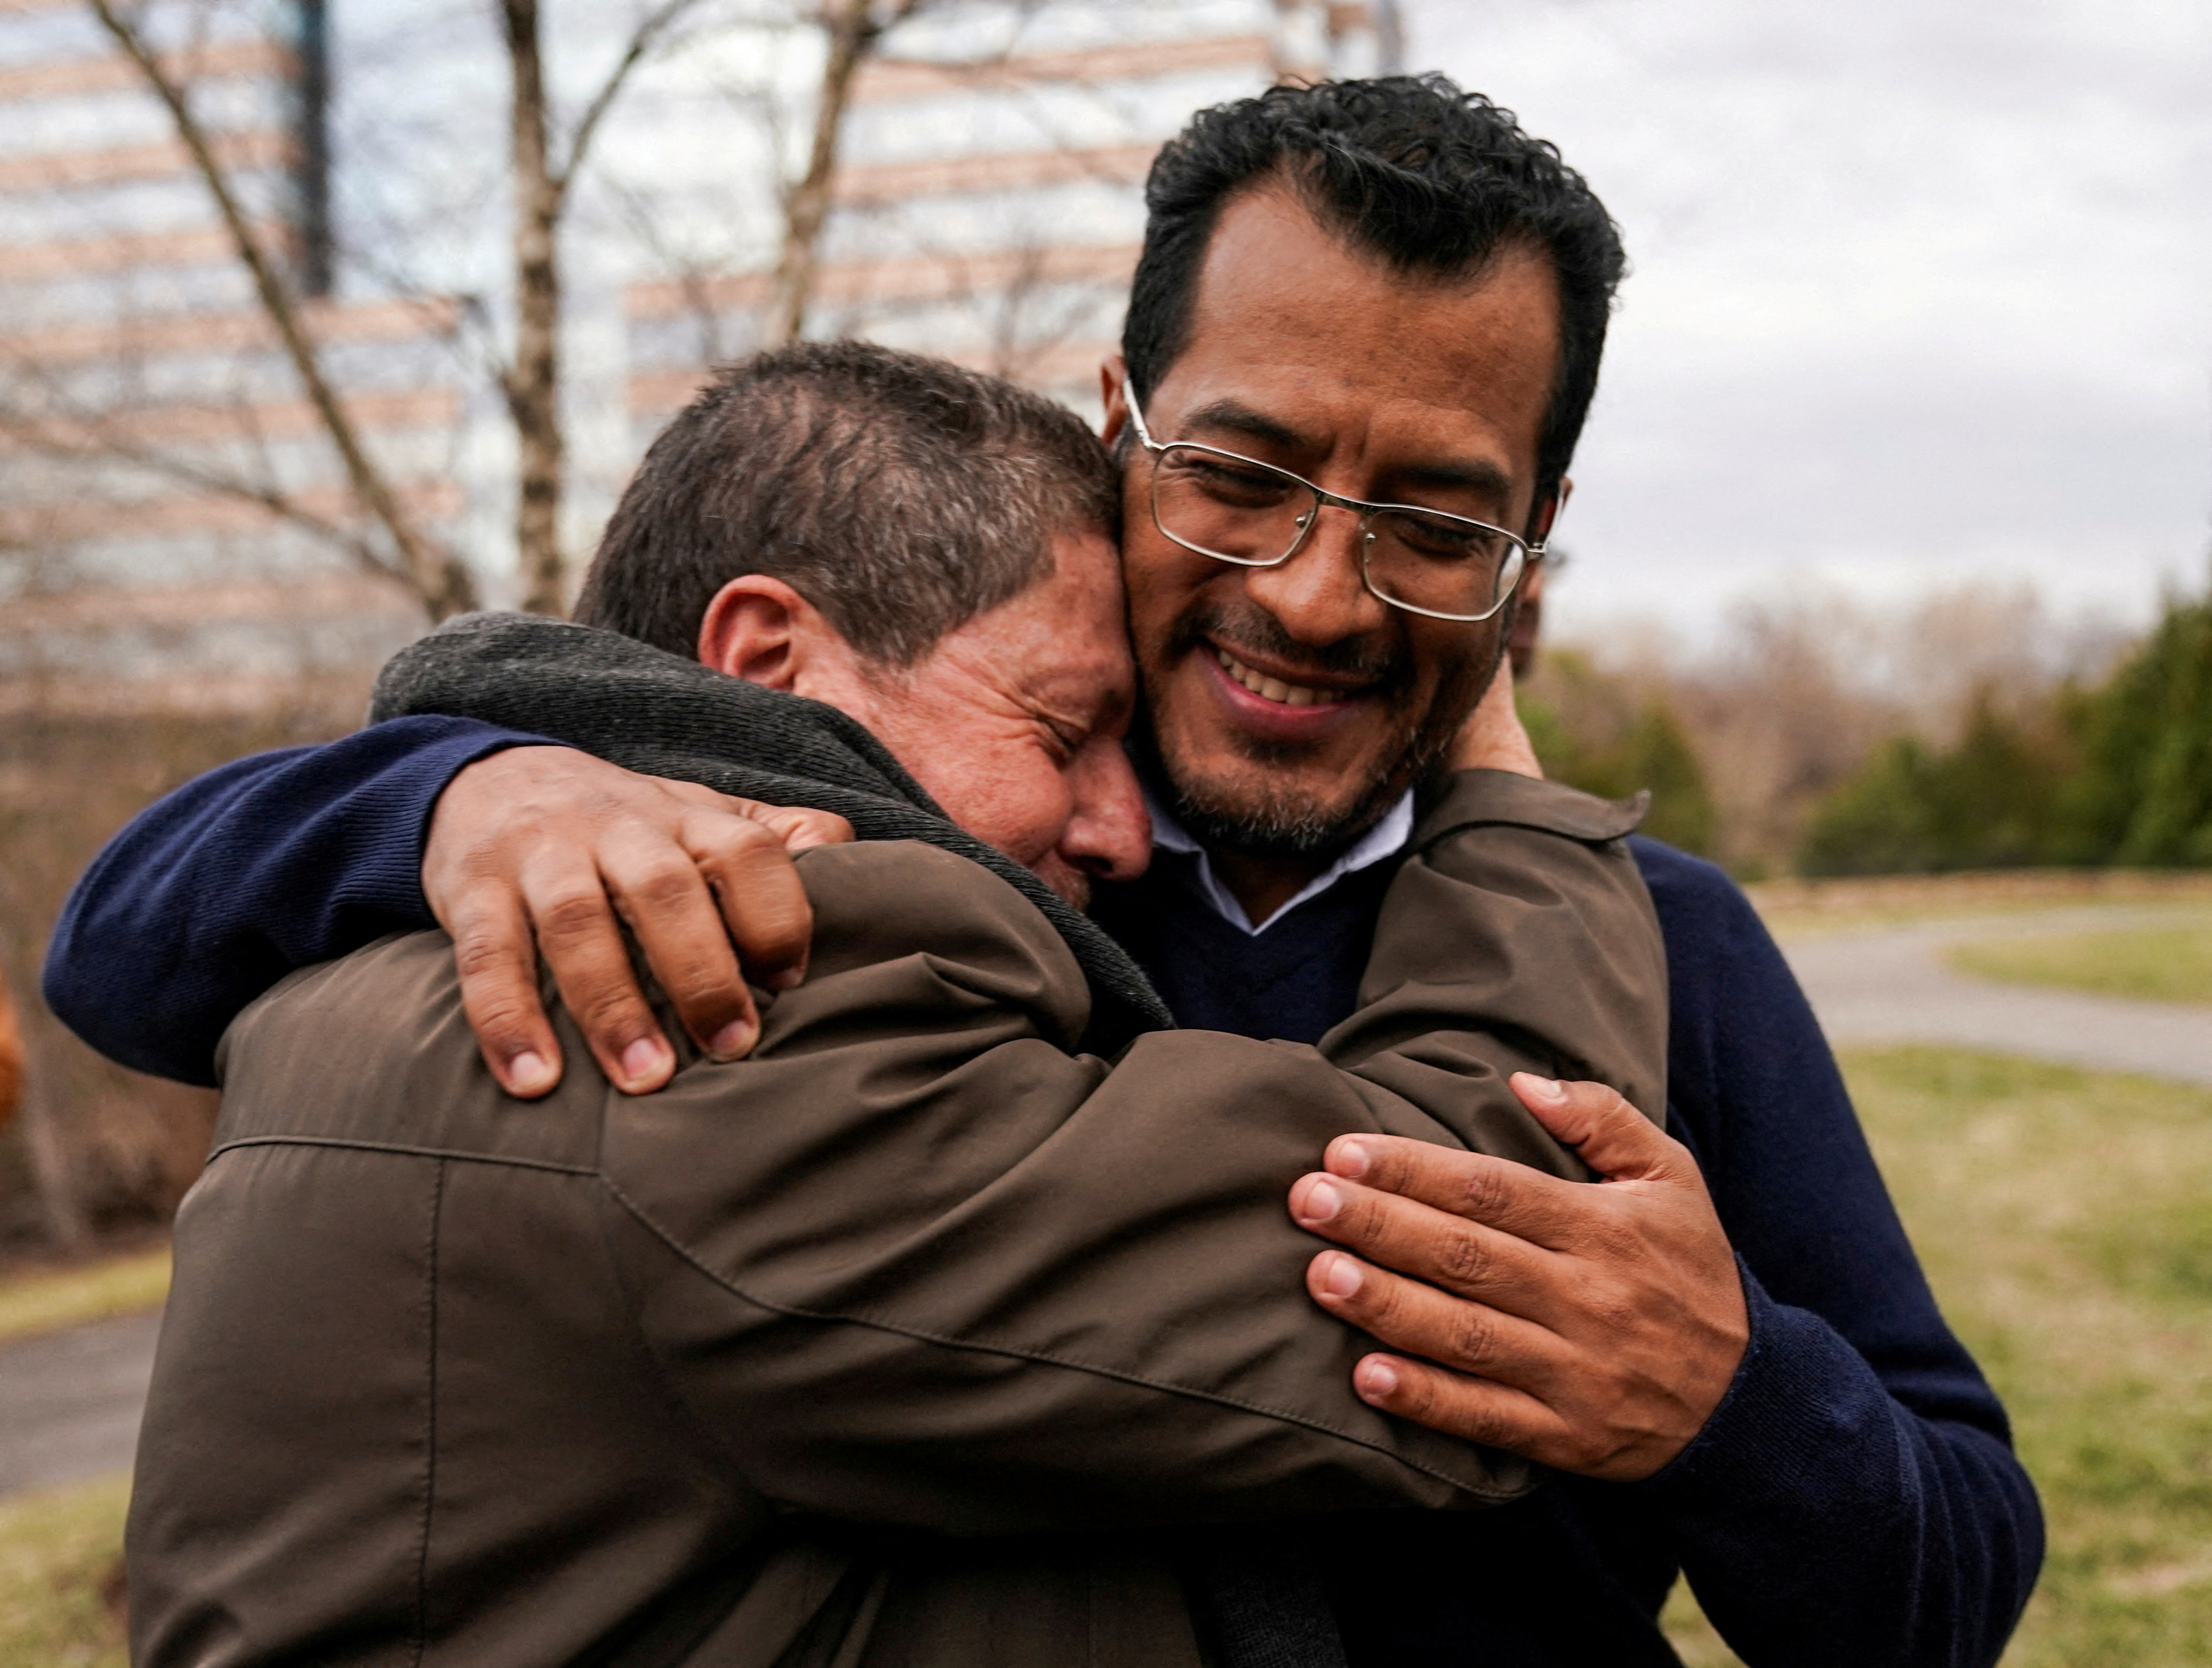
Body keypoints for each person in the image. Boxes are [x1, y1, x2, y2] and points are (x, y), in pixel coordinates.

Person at [50, 77, 2040, 1667]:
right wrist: (446, 793)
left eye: (1436, 523)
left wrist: (1732, 1396)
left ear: (1538, 536)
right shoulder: (806, 878)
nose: (1321, 597)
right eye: (1244, 479)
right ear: (1125, 428)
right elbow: (127, 955)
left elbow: (1947, 1578)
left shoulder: (1658, 938)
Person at [124, 342, 1671, 1668]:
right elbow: (1499, 1259)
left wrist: (446, 785)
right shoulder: (734, 1012)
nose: (1122, 827)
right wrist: (1491, 764)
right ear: (768, 659)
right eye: (1068, 727)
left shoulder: (376, 931)